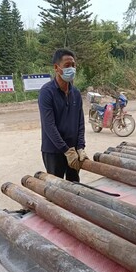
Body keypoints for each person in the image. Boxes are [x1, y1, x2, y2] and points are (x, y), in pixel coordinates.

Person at [38, 48, 88, 182]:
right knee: (55, 189)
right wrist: (66, 150)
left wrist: (80, 147)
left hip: (74, 150)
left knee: (74, 186)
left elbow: (80, 123)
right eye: (67, 66)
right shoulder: (47, 92)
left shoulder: (76, 93)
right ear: (56, 67)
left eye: (73, 65)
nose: (71, 69)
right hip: (54, 151)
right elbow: (49, 126)